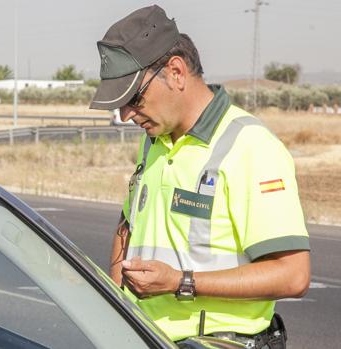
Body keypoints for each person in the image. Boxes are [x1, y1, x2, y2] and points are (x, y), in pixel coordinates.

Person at [89, 5, 311, 347]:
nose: (125, 115)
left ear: (176, 72)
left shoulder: (250, 146)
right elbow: (129, 223)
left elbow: (293, 275)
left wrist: (181, 282)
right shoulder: (154, 142)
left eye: (133, 98)